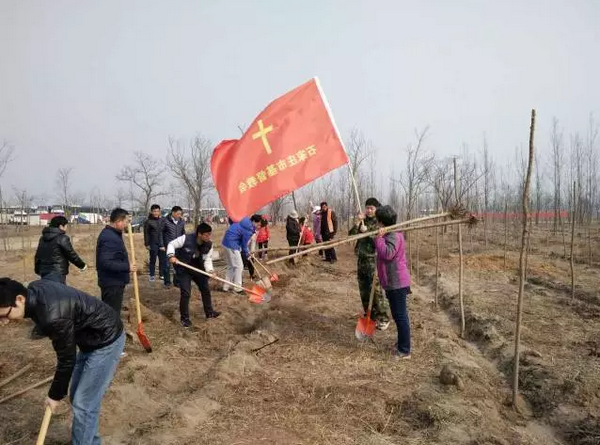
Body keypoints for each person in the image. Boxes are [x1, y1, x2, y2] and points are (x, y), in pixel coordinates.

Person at [0, 278, 125, 443]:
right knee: (78, 398)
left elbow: (66, 359)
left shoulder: (52, 316)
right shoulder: (34, 288)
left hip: (106, 340)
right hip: (91, 338)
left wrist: (54, 395)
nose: (4, 322)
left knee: (83, 404)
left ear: (20, 299)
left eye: (5, 315)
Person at [374, 205, 411, 360]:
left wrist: (378, 238)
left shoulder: (393, 236)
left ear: (382, 222)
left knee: (400, 316)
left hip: (397, 282)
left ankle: (404, 351)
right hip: (392, 282)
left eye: (378, 221)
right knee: (398, 315)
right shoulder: (390, 234)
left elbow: (388, 254)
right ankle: (402, 343)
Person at [167, 223, 220, 327]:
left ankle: (209, 313)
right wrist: (171, 255)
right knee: (186, 293)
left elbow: (207, 259)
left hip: (198, 268)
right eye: (206, 235)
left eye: (210, 234)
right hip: (183, 268)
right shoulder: (185, 239)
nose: (208, 237)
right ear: (199, 234)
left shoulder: (208, 245)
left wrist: (210, 271)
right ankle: (185, 319)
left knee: (205, 289)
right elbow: (171, 244)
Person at [349, 198, 390, 331]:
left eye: (371, 208)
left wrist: (367, 232)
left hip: (373, 260)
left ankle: (383, 317)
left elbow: (378, 243)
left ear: (376, 209)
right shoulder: (362, 221)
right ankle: (369, 315)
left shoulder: (380, 223)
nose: (369, 210)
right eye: (367, 208)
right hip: (361, 260)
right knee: (364, 290)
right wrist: (357, 223)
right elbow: (350, 236)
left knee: (376, 290)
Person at [96, 208, 136, 315]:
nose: (127, 225)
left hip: (114, 281)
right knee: (112, 315)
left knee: (111, 313)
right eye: (126, 222)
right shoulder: (109, 237)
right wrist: (127, 267)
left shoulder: (112, 234)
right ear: (118, 221)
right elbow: (106, 262)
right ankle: (112, 331)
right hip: (112, 283)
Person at [34, 215, 87, 285]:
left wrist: (37, 269)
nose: (66, 228)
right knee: (59, 293)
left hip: (44, 272)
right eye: (66, 226)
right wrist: (82, 265)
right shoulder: (62, 238)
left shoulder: (42, 238)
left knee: (48, 293)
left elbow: (38, 255)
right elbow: (71, 254)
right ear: (61, 226)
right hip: (57, 273)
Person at [221, 215, 262, 293]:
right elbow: (244, 245)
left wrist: (245, 251)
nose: (258, 226)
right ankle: (237, 289)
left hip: (226, 242)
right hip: (232, 244)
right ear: (253, 221)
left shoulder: (244, 221)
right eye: (258, 224)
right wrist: (247, 254)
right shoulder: (249, 229)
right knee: (239, 266)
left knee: (231, 266)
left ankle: (226, 287)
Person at [162, 206, 185, 288]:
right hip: (168, 246)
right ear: (173, 212)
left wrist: (184, 244)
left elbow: (183, 233)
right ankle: (167, 283)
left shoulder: (182, 222)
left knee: (177, 264)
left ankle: (177, 282)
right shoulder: (165, 221)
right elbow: (160, 233)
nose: (179, 215)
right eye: (178, 214)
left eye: (180, 214)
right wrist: (162, 245)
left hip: (178, 246)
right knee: (167, 265)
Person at [144, 204, 165, 283]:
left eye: (157, 211)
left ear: (160, 212)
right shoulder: (148, 221)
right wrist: (147, 244)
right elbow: (146, 233)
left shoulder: (163, 220)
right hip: (153, 243)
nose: (156, 213)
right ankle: (152, 275)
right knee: (152, 260)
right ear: (151, 212)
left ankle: (161, 274)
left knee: (162, 260)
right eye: (154, 211)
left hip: (162, 243)